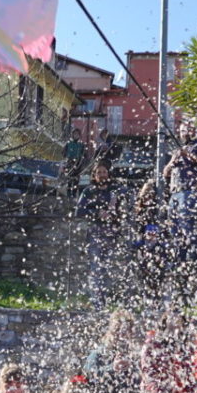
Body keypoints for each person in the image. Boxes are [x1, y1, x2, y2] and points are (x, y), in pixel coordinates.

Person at [74, 160, 126, 308]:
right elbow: (79, 211)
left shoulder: (115, 190)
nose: (102, 175)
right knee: (96, 267)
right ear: (94, 175)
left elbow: (127, 205)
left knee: (109, 267)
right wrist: (96, 213)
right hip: (95, 233)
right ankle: (97, 301)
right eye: (99, 172)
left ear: (108, 174)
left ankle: (108, 301)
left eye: (104, 172)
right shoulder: (89, 191)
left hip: (112, 233)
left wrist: (116, 208)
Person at [161, 121, 197, 261]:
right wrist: (173, 161)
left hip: (189, 191)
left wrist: (186, 154)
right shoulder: (178, 150)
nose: (185, 133)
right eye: (183, 131)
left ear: (194, 131)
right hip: (174, 193)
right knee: (174, 228)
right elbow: (165, 173)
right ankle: (180, 258)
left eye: (188, 130)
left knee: (186, 226)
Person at [62, 128, 87, 197]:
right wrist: (67, 157)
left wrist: (81, 160)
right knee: (69, 180)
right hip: (69, 163)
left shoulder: (81, 144)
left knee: (76, 181)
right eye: (74, 134)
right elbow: (63, 152)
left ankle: (74, 194)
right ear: (72, 135)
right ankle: (69, 195)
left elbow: (85, 155)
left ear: (79, 135)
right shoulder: (68, 143)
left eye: (77, 134)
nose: (76, 135)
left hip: (78, 164)